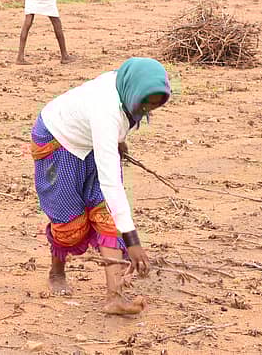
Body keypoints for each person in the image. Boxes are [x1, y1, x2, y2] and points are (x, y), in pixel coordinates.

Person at [30, 57, 171, 315]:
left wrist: (117, 140)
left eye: (154, 105)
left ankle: (114, 297)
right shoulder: (105, 111)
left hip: (91, 139)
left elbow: (120, 120)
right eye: (145, 104)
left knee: (106, 216)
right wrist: (133, 241)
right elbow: (111, 183)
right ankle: (57, 270)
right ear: (134, 92)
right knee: (68, 221)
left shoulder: (125, 88)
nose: (147, 110)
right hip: (58, 139)